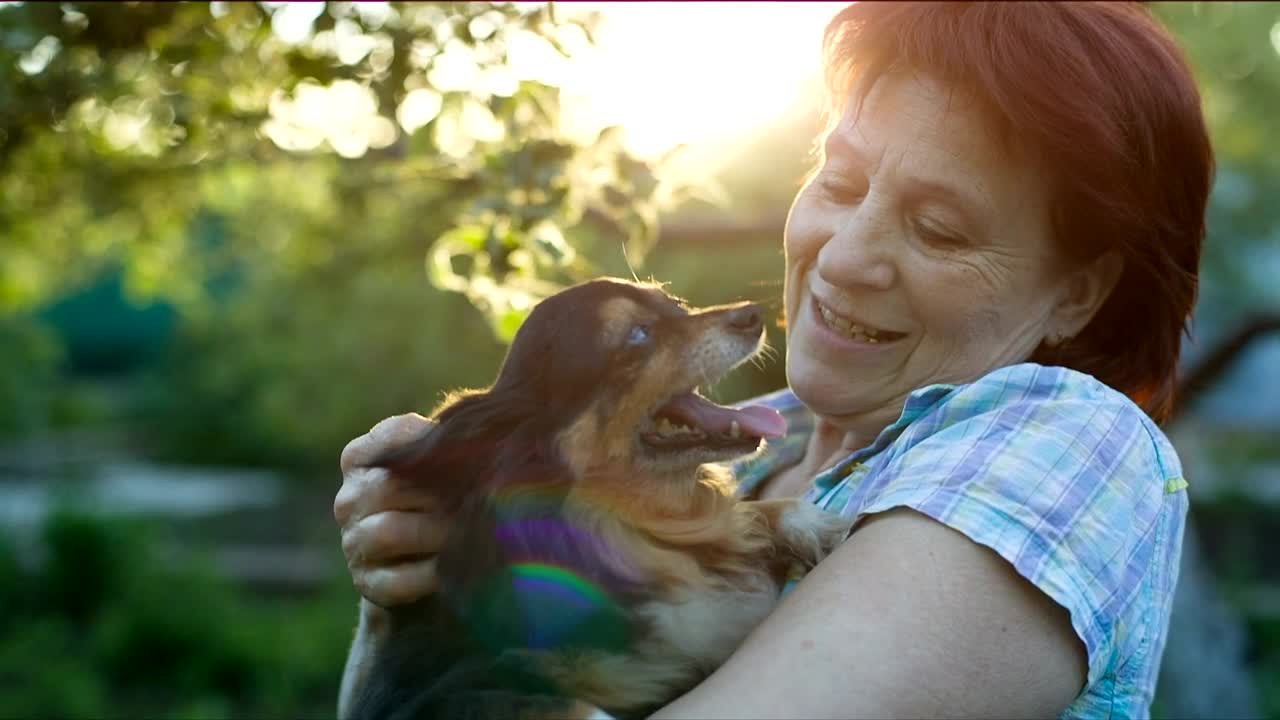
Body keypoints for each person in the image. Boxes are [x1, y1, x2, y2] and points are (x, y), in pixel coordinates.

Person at [333, 2, 1212, 717]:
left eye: (939, 229)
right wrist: (419, 589)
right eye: (838, 182)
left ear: (1077, 293)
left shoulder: (1071, 445)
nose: (843, 255)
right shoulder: (755, 447)